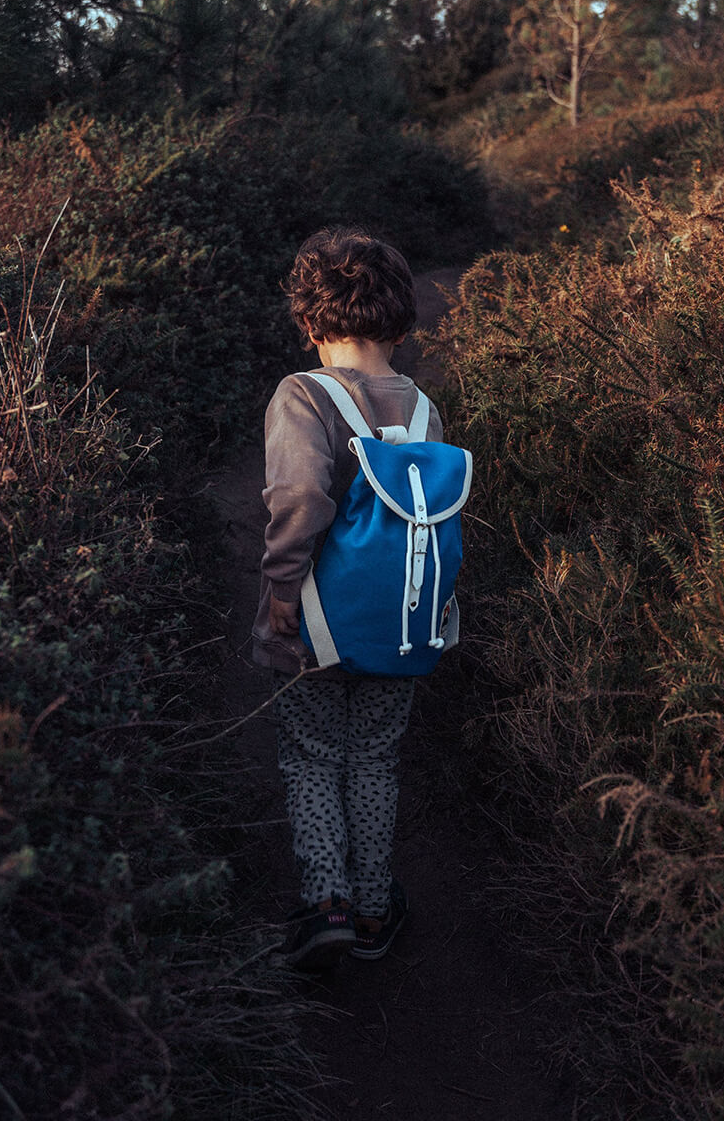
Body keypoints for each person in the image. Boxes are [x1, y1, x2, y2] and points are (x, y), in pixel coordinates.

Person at [252, 226, 444, 971]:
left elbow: (299, 496)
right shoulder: (424, 407)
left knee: (309, 757)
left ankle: (326, 901)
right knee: (372, 759)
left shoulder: (303, 394)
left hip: (316, 622)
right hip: (400, 625)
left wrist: (278, 593)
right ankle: (372, 909)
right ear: (403, 322)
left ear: (307, 322)